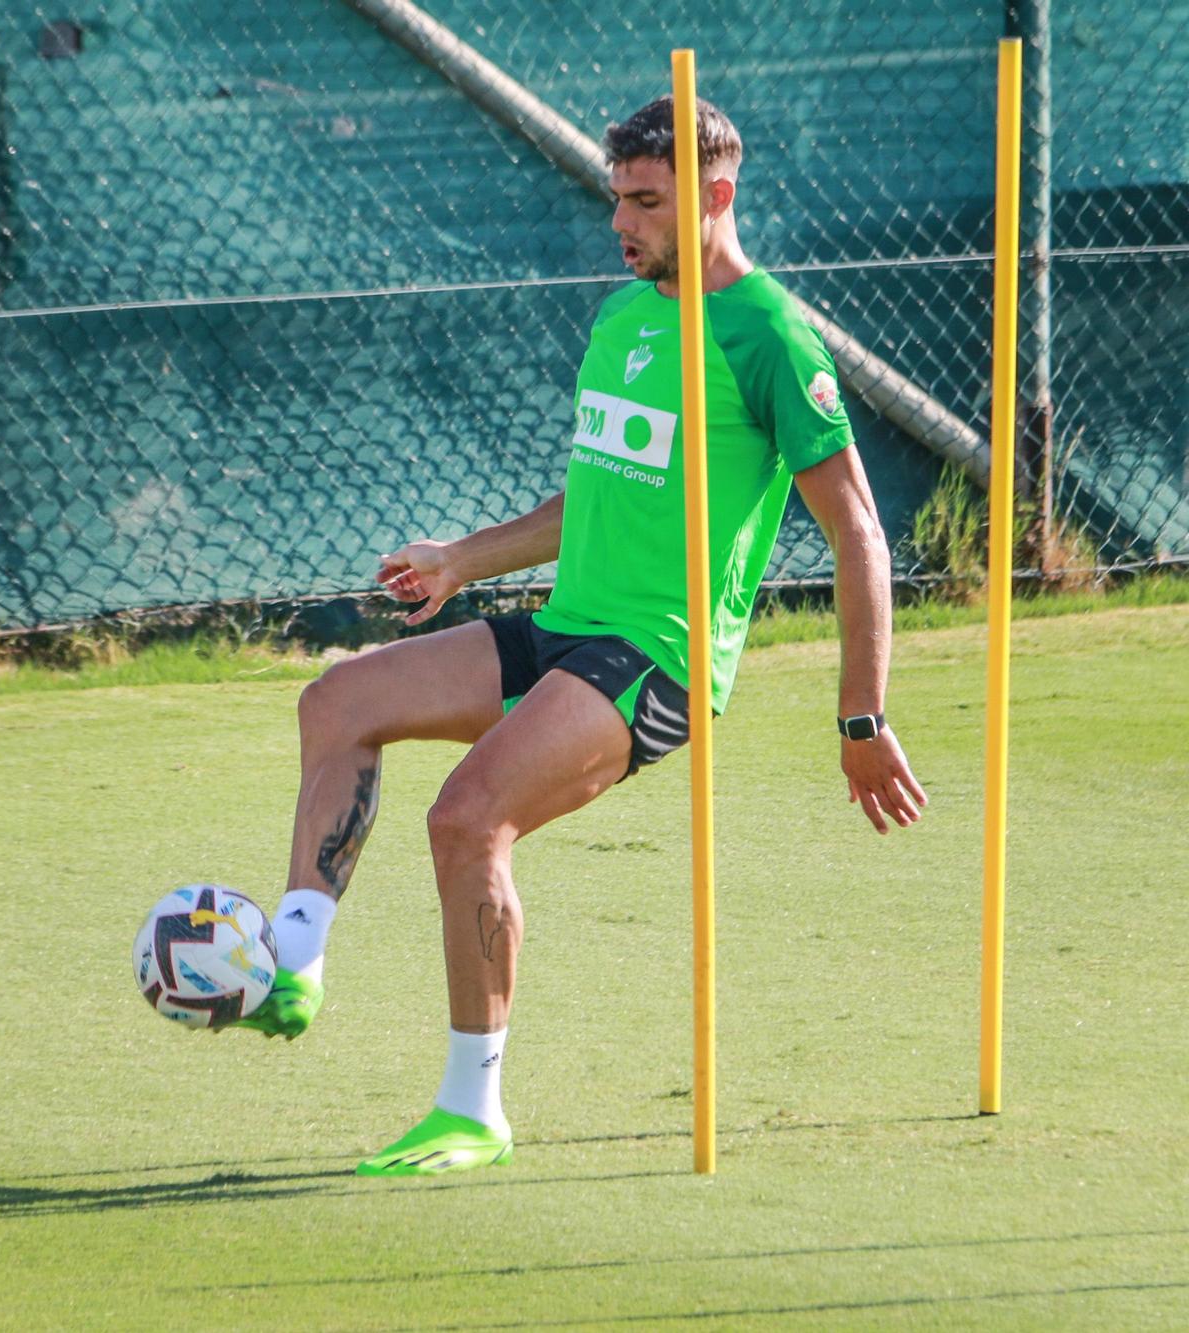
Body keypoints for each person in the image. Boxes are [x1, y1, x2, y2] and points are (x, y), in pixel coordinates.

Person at [233, 97, 928, 1177]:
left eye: (646, 203)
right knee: (336, 701)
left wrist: (860, 716)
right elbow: (593, 493)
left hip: (657, 657)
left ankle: (472, 1109)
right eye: (616, 199)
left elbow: (859, 532)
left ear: (715, 197)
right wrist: (463, 558)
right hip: (566, 626)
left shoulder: (768, 335)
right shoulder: (621, 320)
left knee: (466, 817)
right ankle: (293, 960)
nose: (623, 223)